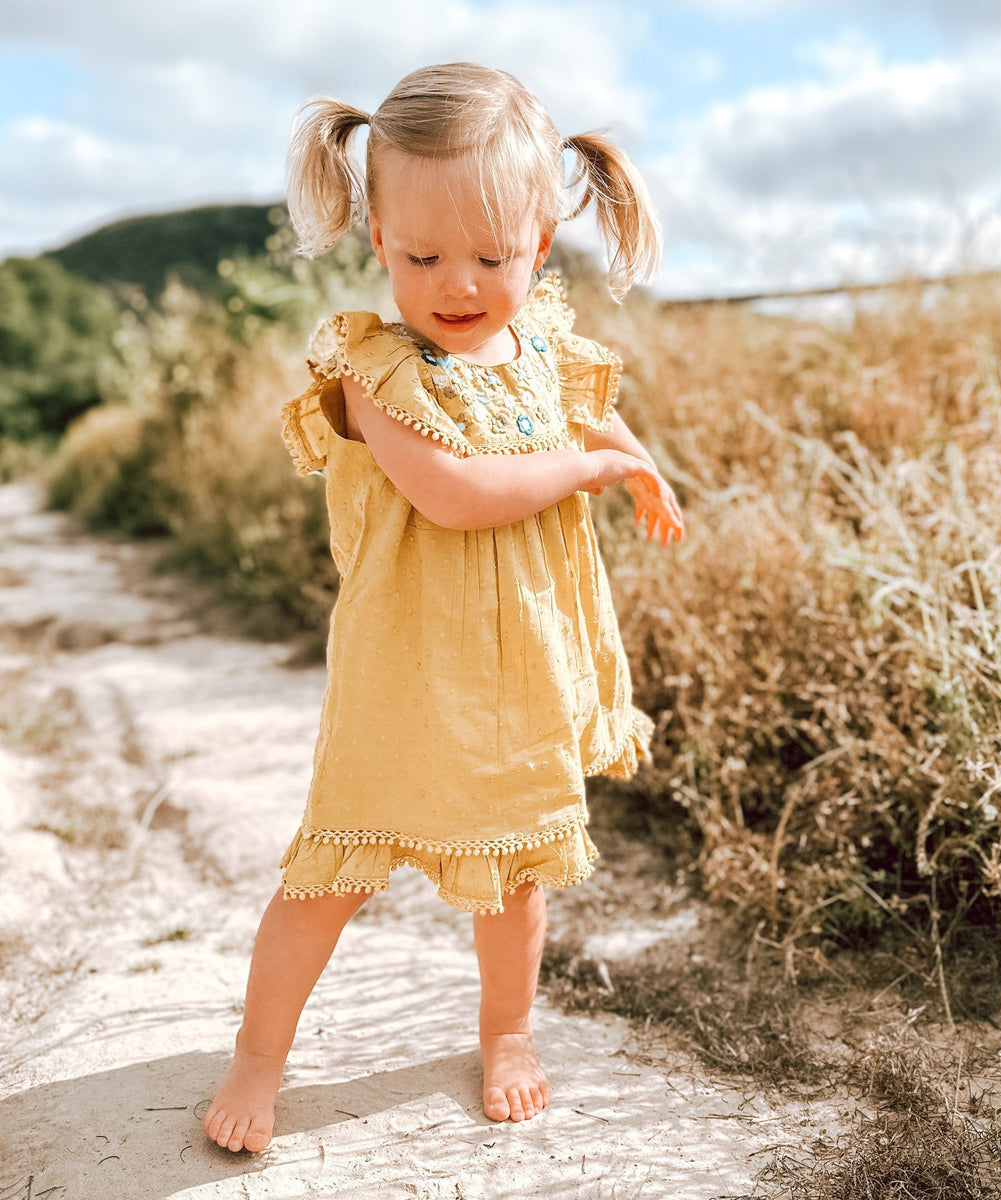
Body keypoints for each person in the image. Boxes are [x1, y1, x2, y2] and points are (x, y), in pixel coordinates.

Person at [202, 62, 685, 1154]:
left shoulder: (545, 350)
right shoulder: (379, 375)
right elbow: (457, 496)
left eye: (491, 257)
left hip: (521, 672)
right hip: (405, 675)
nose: (455, 283)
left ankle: (507, 1033)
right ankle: (256, 1059)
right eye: (422, 256)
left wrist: (638, 462)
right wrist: (585, 471)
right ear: (378, 235)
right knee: (334, 869)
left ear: (540, 246)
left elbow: (597, 431)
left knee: (513, 874)